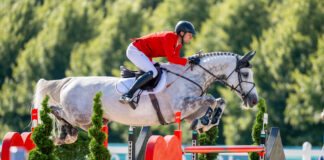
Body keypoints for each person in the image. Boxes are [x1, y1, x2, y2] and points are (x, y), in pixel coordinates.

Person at [119, 20, 200, 106]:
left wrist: (189, 62)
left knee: (159, 70)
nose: (191, 37)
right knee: (153, 72)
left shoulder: (178, 44)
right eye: (189, 35)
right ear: (182, 33)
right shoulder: (169, 37)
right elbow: (172, 59)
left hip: (145, 54)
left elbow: (174, 62)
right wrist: (189, 60)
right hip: (135, 50)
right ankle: (128, 95)